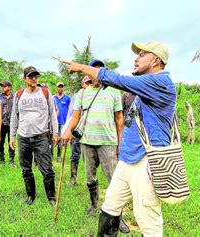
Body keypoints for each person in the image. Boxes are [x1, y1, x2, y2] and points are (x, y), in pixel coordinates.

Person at [63, 40, 175, 236]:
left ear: (156, 60)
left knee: (148, 219)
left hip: (146, 162)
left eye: (142, 54)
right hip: (128, 160)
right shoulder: (144, 89)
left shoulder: (160, 83)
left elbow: (119, 80)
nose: (136, 58)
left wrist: (81, 67)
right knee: (110, 206)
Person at [62, 59, 129, 236]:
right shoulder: (83, 94)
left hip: (108, 142)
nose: (96, 73)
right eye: (94, 70)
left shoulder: (114, 92)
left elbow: (119, 120)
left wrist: (120, 142)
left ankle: (118, 218)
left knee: (114, 181)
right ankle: (94, 205)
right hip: (87, 141)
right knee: (90, 177)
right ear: (88, 73)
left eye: (100, 70)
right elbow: (75, 117)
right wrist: (68, 131)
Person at [10, 66, 59, 206]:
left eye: (36, 76)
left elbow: (52, 114)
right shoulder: (19, 95)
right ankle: (30, 196)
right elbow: (14, 116)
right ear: (25, 78)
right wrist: (12, 136)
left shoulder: (45, 92)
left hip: (41, 137)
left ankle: (51, 197)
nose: (33, 79)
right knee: (26, 169)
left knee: (47, 169)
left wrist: (55, 133)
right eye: (30, 76)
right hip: (23, 137)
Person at [65, 76, 92, 186]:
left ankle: (90, 179)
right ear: (82, 84)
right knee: (75, 155)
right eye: (86, 83)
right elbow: (70, 114)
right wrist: (68, 130)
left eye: (90, 83)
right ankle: (73, 178)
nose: (88, 85)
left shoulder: (95, 95)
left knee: (89, 157)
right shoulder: (77, 96)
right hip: (76, 130)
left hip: (89, 130)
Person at [0, 80, 15, 165]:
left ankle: (11, 160)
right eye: (1, 86)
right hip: (2, 123)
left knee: (11, 142)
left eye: (4, 86)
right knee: (0, 142)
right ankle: (2, 159)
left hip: (12, 123)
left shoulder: (15, 97)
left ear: (9, 87)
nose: (2, 88)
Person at [53, 82, 71, 162]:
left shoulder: (67, 98)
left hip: (63, 122)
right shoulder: (53, 98)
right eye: (58, 87)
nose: (60, 88)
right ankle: (50, 155)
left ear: (63, 88)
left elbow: (70, 110)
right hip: (54, 122)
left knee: (60, 140)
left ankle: (59, 156)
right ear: (56, 88)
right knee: (53, 139)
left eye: (61, 87)